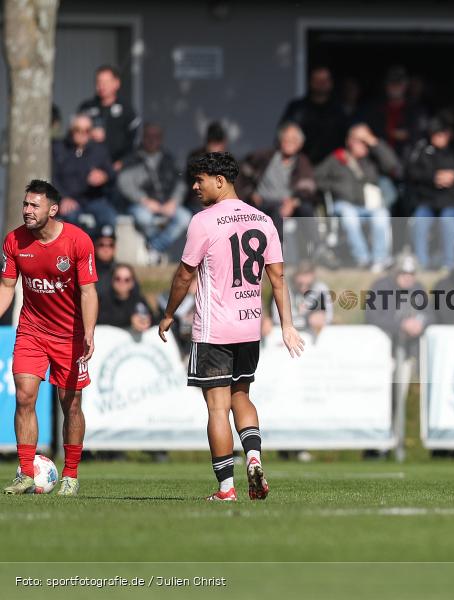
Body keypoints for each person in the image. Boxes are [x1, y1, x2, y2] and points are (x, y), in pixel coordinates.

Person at [158, 152, 303, 502]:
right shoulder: (264, 220)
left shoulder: (203, 221)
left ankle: (226, 489)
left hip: (214, 330)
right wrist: (287, 324)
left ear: (219, 181)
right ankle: (253, 457)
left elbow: (184, 275)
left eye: (200, 180)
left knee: (217, 408)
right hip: (249, 328)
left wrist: (169, 313)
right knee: (242, 396)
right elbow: (278, 278)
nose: (195, 187)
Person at [0, 180, 99, 496]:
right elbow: (7, 286)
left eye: (34, 205)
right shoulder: (14, 240)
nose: (27, 210)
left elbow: (88, 291)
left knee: (71, 404)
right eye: (25, 204)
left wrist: (89, 331)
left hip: (70, 335)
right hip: (32, 331)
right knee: (24, 396)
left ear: (53, 209)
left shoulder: (77, 241)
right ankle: (26, 473)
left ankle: (70, 474)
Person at [314, 124, 399, 271]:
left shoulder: (373, 159)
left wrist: (373, 142)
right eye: (358, 140)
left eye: (364, 141)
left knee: (382, 215)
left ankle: (380, 260)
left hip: (369, 205)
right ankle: (362, 259)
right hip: (345, 204)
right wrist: (335, 187)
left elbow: (392, 165)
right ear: (349, 141)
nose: (362, 145)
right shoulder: (337, 158)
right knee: (350, 217)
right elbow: (316, 177)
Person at [117, 124, 192, 261]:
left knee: (185, 218)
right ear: (143, 137)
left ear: (161, 139)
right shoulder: (132, 158)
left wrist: (174, 201)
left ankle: (154, 247)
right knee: (143, 218)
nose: (152, 140)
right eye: (149, 136)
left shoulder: (169, 159)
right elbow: (124, 183)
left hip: (167, 204)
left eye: (156, 137)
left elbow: (181, 183)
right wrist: (144, 200)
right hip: (141, 204)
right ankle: (154, 250)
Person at [236, 121, 317, 234]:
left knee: (306, 209)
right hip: (263, 201)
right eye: (286, 139)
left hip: (287, 203)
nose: (289, 142)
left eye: (293, 140)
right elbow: (242, 173)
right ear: (280, 140)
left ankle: (314, 243)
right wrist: (250, 193)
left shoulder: (302, 163)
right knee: (277, 211)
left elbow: (308, 188)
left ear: (300, 144)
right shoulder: (265, 156)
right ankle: (277, 245)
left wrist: (293, 202)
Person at [407, 117, 454, 270]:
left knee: (448, 221)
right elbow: (412, 173)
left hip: (451, 200)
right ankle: (421, 263)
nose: (439, 138)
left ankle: (449, 263)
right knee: (419, 221)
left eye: (442, 134)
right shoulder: (422, 150)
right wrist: (433, 177)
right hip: (428, 199)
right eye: (435, 135)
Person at [52, 113, 118, 233]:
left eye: (87, 130)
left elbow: (111, 173)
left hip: (93, 198)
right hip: (68, 199)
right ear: (71, 130)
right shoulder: (59, 149)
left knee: (109, 218)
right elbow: (52, 177)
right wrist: (63, 198)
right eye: (78, 130)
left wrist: (104, 176)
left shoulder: (99, 150)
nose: (82, 134)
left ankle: (101, 245)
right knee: (70, 221)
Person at [279, 66, 347, 164]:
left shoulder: (338, 110)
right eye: (317, 80)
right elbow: (283, 133)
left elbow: (345, 139)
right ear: (310, 82)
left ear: (331, 83)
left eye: (325, 80)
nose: (321, 84)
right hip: (300, 163)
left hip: (332, 165)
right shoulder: (297, 107)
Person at [365, 255, 431, 357]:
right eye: (403, 273)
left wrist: (419, 323)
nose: (408, 278)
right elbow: (372, 317)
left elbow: (430, 314)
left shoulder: (418, 288)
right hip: (383, 345)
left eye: (412, 274)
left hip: (412, 344)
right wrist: (401, 325)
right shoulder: (380, 287)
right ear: (395, 272)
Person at [78, 65, 140, 170]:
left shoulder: (126, 110)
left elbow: (133, 143)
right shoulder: (86, 108)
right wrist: (89, 134)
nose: (102, 86)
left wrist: (120, 164)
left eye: (106, 82)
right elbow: (75, 137)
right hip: (90, 167)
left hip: (119, 168)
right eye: (99, 82)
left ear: (117, 83)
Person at [364, 65, 427, 159]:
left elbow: (420, 135)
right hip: (380, 159)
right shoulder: (375, 109)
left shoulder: (415, 110)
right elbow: (372, 134)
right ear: (386, 85)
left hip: (408, 159)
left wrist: (407, 134)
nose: (395, 87)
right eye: (392, 83)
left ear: (405, 85)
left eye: (399, 83)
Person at [268, 260, 332, 336]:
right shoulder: (283, 290)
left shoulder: (321, 289)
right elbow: (277, 319)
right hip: (288, 335)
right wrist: (306, 320)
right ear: (294, 277)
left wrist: (320, 317)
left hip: (312, 335)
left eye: (308, 285)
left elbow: (328, 317)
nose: (303, 289)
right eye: (300, 284)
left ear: (313, 277)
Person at [184, 122, 229, 213]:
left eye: (219, 142)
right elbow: (193, 186)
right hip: (198, 203)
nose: (217, 147)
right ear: (207, 143)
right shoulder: (196, 158)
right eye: (213, 143)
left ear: (224, 142)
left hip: (223, 204)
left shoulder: (229, 160)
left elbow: (232, 187)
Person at [97, 264, 152, 332]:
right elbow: (102, 320)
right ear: (112, 280)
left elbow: (154, 319)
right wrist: (130, 320)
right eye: (118, 279)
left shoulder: (139, 300)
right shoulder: (103, 300)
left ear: (132, 282)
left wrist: (146, 321)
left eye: (127, 280)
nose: (122, 282)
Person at [93, 224, 118, 297]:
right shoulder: (87, 270)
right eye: (101, 244)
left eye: (111, 245)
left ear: (115, 248)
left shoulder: (122, 273)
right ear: (95, 246)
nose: (106, 249)